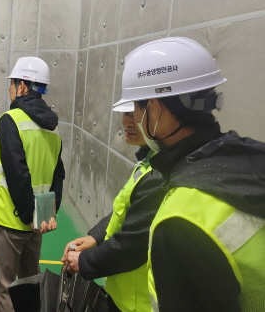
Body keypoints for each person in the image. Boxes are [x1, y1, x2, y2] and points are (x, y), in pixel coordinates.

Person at [113, 37, 265, 311]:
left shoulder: (181, 219)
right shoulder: (249, 157)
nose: (132, 118)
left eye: (135, 107)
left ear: (154, 109)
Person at [62, 103, 166, 312]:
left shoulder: (160, 174)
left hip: (139, 304)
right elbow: (128, 211)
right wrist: (95, 237)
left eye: (134, 114)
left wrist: (84, 261)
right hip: (124, 294)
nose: (127, 121)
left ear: (157, 114)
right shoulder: (150, 162)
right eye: (125, 114)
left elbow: (132, 246)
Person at [0, 56, 65, 312]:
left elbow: (17, 173)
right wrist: (46, 214)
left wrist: (28, 215)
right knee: (31, 283)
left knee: (6, 287)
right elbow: (58, 174)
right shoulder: (52, 127)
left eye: (12, 83)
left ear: (22, 86)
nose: (10, 89)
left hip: (8, 218)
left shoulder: (11, 119)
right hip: (36, 222)